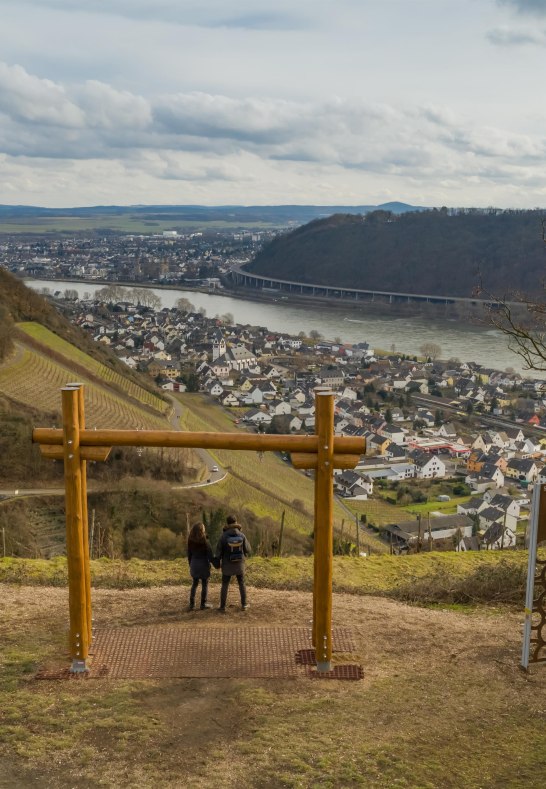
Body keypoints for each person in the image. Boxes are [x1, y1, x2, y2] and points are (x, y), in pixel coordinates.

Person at [215, 515, 251, 612]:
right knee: (242, 583)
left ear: (227, 523)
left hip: (227, 565)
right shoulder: (242, 535)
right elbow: (248, 549)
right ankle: (244, 605)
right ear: (236, 522)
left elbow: (218, 553)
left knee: (225, 584)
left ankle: (222, 607)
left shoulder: (223, 536)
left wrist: (217, 564)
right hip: (240, 565)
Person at [187, 522, 214, 610]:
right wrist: (216, 564)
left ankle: (192, 604)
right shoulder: (205, 542)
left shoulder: (190, 541)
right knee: (204, 584)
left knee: (194, 584)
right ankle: (203, 603)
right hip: (203, 565)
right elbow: (210, 556)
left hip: (194, 564)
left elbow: (189, 554)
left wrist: (190, 564)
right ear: (201, 531)